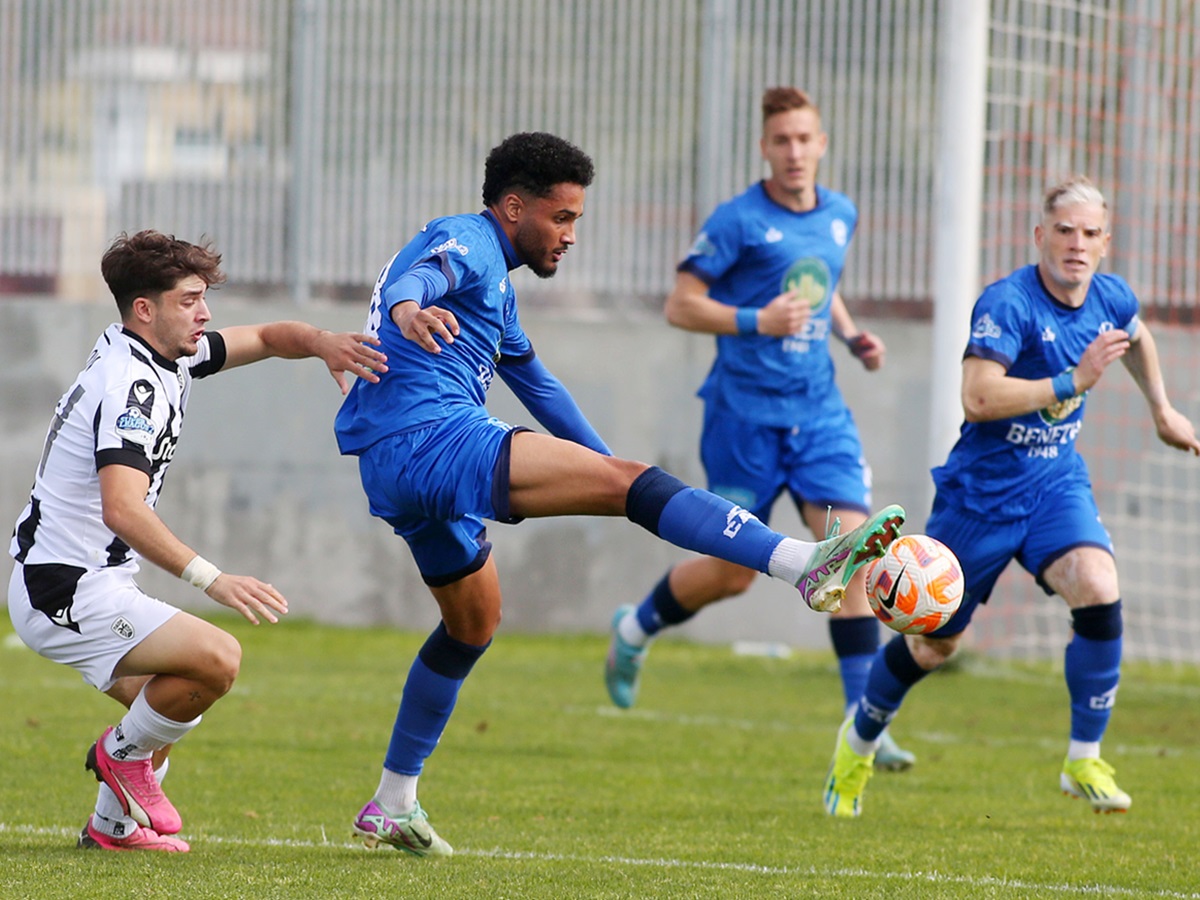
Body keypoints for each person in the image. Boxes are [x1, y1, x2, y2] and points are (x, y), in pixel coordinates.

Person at [333, 130, 906, 858]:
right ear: (514, 207)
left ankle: (392, 801)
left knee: (474, 625)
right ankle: (802, 563)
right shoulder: (468, 241)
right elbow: (421, 283)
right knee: (629, 487)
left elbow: (540, 387)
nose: (572, 234)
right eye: (562, 217)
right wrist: (411, 313)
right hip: (431, 439)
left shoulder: (496, 288)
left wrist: (612, 471)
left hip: (396, 461)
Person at [822, 176, 1200, 818]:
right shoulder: (1009, 304)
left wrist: (1162, 407)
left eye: (1089, 234)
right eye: (1063, 231)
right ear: (1040, 236)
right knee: (934, 645)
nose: (1075, 245)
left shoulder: (1110, 297)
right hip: (981, 499)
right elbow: (978, 396)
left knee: (1098, 582)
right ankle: (857, 743)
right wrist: (1070, 381)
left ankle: (1084, 757)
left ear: (1105, 243)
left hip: (1056, 485)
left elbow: (1136, 336)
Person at [6, 230, 388, 852]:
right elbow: (123, 509)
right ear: (145, 309)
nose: (205, 313)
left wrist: (322, 343)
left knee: (169, 704)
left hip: (78, 578)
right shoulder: (129, 387)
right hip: (62, 585)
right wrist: (216, 580)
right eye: (190, 300)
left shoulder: (166, 354)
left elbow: (264, 338)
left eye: (204, 297)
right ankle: (117, 757)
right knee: (216, 659)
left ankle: (112, 828)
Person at [602, 87, 915, 770]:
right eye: (782, 141)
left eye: (806, 139)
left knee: (851, 550)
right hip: (743, 419)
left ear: (822, 143)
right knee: (731, 573)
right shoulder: (737, 221)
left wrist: (853, 334)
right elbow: (681, 306)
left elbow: (819, 285)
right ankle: (635, 627)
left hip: (819, 412)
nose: (795, 152)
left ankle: (862, 727)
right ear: (765, 147)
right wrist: (756, 322)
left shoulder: (839, 214)